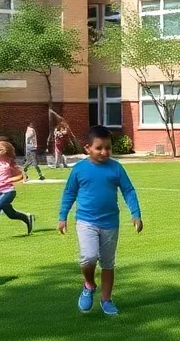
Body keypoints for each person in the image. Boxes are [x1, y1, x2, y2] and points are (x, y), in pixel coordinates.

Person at [58, 125, 142, 316]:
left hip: (110, 223)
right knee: (88, 257)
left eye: (108, 148)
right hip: (86, 221)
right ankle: (88, 284)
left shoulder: (116, 168)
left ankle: (107, 300)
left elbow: (128, 190)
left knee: (107, 264)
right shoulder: (79, 170)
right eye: (99, 148)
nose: (104, 152)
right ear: (87, 148)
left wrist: (135, 214)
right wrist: (62, 217)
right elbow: (69, 193)